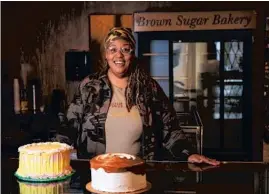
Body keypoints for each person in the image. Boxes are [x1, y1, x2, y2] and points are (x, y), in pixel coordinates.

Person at [66, 27, 219, 166]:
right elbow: (68, 126)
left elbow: (170, 128)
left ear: (132, 54)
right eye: (113, 50)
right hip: (97, 175)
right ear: (106, 55)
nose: (119, 55)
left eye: (125, 50)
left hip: (139, 175)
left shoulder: (148, 87)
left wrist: (188, 153)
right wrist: (54, 157)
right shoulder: (90, 86)